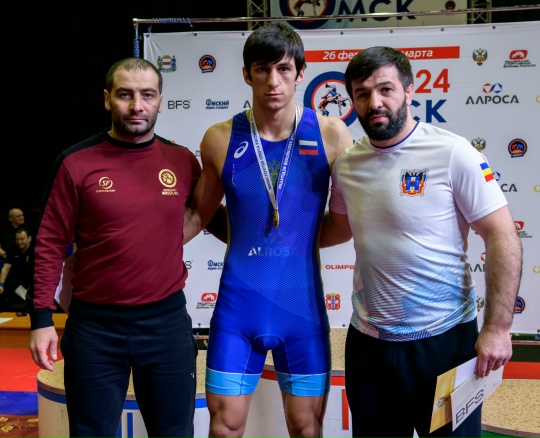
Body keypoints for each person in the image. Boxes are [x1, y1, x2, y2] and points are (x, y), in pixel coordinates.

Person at [320, 46, 523, 438]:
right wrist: (261, 231)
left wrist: (498, 327)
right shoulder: (346, 166)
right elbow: (338, 229)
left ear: (409, 91)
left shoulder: (453, 152)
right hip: (370, 346)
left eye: (386, 89)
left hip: (445, 344)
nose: (374, 103)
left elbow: (502, 235)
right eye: (362, 94)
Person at [183, 23, 352, 438]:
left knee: (307, 429)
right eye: (262, 69)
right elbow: (198, 217)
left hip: (302, 308)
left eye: (283, 69)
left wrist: (294, 242)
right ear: (247, 74)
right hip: (237, 311)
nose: (273, 81)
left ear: (300, 73)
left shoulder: (331, 134)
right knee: (224, 427)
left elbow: (345, 222)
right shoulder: (220, 139)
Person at [27, 57, 200, 438]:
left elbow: (212, 216)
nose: (137, 105)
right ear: (107, 99)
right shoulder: (75, 163)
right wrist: (41, 319)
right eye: (125, 95)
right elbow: (49, 243)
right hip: (94, 329)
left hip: (166, 325)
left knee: (174, 433)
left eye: (147, 95)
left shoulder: (182, 161)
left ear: (160, 101)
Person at [0, 227, 34, 312]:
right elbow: (5, 268)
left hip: (31, 284)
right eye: (17, 239)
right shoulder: (13, 249)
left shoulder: (35, 251)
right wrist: (1, 285)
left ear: (29, 238)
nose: (19, 242)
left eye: (22, 239)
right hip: (15, 283)